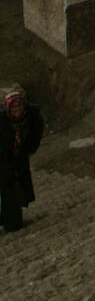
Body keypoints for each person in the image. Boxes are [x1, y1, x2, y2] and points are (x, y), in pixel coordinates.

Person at [0, 84, 44, 234]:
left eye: (19, 108)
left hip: (18, 158)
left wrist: (28, 150)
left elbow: (36, 134)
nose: (17, 111)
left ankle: (13, 222)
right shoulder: (2, 122)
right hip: (3, 160)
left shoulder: (31, 116)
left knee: (15, 190)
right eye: (14, 109)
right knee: (7, 189)